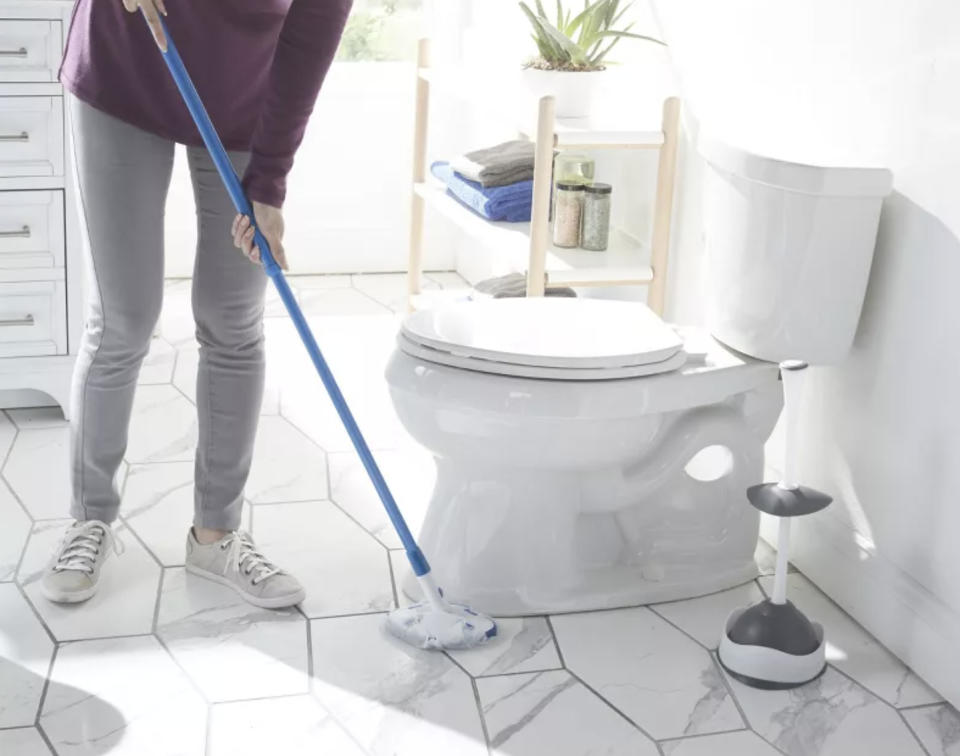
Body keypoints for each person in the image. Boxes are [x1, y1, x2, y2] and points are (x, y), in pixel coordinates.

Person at [41, 0, 352, 609]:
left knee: (234, 318)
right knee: (124, 318)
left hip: (242, 102)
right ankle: (89, 520)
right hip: (125, 65)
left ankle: (216, 535)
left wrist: (269, 183)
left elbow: (307, 46)